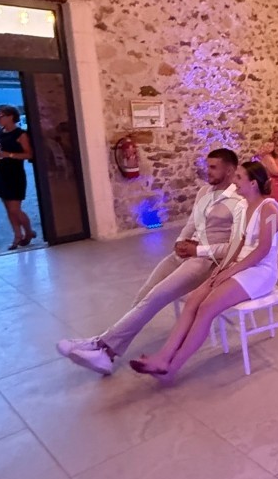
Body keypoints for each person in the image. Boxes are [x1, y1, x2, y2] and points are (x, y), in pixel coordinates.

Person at [57, 148, 245, 374]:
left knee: (157, 296)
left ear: (230, 170)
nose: (208, 171)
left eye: (213, 167)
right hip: (187, 252)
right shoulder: (205, 191)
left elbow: (233, 247)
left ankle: (102, 346)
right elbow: (192, 223)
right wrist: (180, 241)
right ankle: (107, 350)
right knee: (144, 293)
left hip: (207, 262)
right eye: (208, 166)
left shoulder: (239, 202)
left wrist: (198, 250)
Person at [130, 162, 278, 380]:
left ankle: (172, 367)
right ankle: (163, 356)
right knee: (193, 300)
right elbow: (238, 242)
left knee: (207, 307)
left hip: (260, 271)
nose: (234, 181)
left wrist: (230, 271)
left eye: (239, 177)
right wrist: (223, 267)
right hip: (240, 265)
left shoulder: (269, 209)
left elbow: (262, 251)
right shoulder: (244, 206)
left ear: (253, 183)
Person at [0, 105, 34, 250]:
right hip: (1, 172)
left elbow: (29, 154)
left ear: (11, 116)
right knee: (8, 208)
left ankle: (28, 232)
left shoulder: (20, 134)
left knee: (15, 209)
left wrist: (9, 155)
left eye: (0, 116)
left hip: (15, 173)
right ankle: (17, 235)